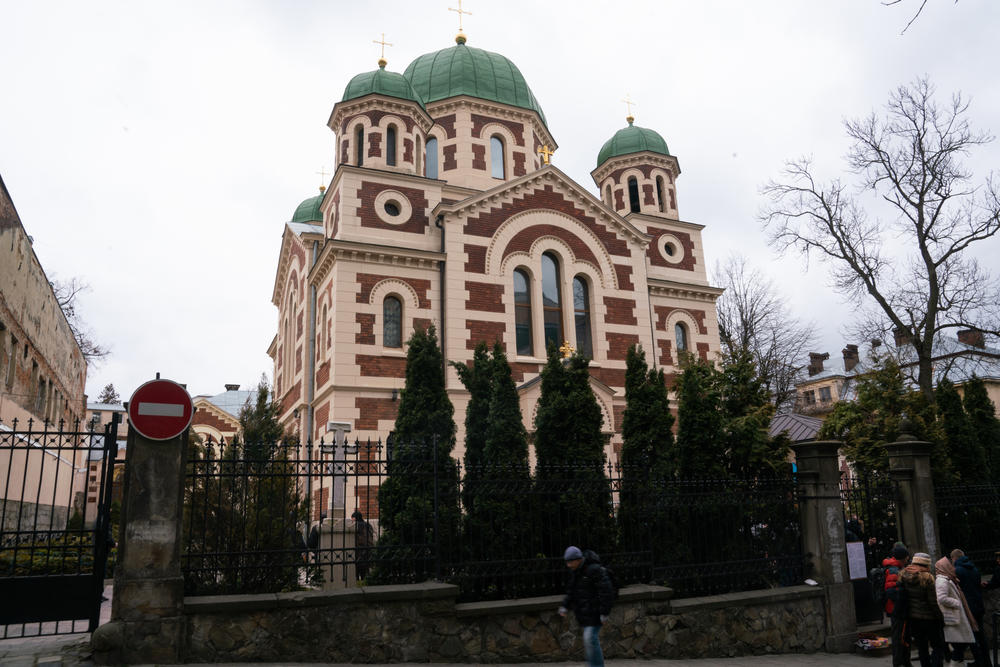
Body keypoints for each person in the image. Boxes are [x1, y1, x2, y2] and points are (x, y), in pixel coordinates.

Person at [558, 546, 614, 667]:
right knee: (589, 640)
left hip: (596, 612)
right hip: (586, 613)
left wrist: (604, 612)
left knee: (590, 639)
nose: (568, 565)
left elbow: (606, 591)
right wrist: (565, 606)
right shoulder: (576, 572)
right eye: (567, 562)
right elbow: (571, 591)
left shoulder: (594, 570)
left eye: (570, 561)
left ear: (578, 559)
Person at [935, 555, 982, 667]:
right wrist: (957, 603)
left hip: (956, 618)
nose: (952, 567)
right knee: (960, 646)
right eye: (949, 565)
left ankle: (959, 664)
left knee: (961, 645)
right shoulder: (942, 580)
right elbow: (941, 598)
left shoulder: (949, 578)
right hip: (953, 618)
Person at [901, 552, 946, 667]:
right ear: (925, 565)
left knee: (922, 648)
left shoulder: (904, 576)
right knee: (937, 646)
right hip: (929, 619)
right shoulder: (928, 578)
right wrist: (940, 617)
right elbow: (932, 602)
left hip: (913, 618)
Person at [951, 549, 992, 666]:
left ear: (954, 558)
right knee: (981, 635)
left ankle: (979, 661)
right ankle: (986, 661)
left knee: (971, 636)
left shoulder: (957, 571)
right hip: (978, 605)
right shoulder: (974, 568)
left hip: (968, 608)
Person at [881, 542, 912, 667]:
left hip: (899, 609)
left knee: (903, 637)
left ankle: (905, 661)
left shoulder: (897, 567)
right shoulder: (894, 570)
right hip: (897, 610)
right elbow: (891, 591)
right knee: (899, 637)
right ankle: (899, 663)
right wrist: (904, 597)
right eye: (906, 557)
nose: (908, 559)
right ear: (902, 558)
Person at [351, 509, 374, 581]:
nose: (352, 520)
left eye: (353, 518)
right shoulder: (368, 525)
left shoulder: (356, 526)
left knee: (357, 572)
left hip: (358, 551)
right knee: (365, 572)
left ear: (355, 518)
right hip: (368, 550)